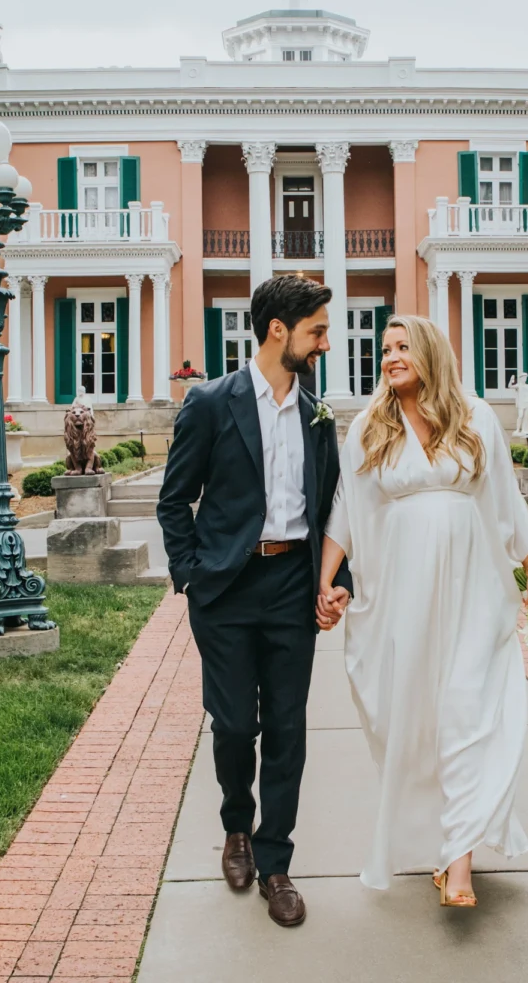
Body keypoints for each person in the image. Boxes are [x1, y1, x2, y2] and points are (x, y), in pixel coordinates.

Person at [318, 314, 528, 908]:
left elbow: (503, 494)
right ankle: (442, 836)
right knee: (409, 718)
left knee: (465, 709)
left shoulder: (476, 418)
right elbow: (347, 505)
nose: (390, 357)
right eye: (384, 348)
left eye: (401, 347)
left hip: (472, 587)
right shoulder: (370, 426)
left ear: (430, 353)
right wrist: (326, 578)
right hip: (402, 592)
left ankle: (459, 862)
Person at [156, 275, 349, 928]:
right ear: (278, 330)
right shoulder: (211, 402)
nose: (326, 341)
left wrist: (337, 580)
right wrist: (190, 575)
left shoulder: (317, 411)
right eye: (317, 330)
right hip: (228, 590)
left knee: (288, 728)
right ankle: (236, 825)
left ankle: (275, 864)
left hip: (294, 585)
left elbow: (332, 505)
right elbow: (174, 498)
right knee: (237, 724)